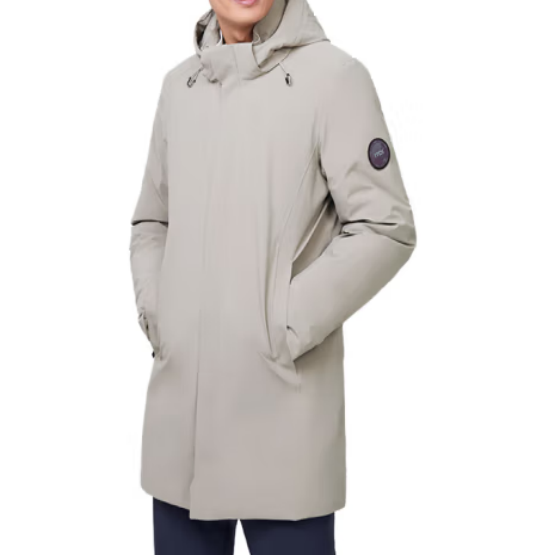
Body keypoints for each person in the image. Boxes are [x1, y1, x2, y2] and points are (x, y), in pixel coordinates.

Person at [129, 0, 416, 552]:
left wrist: (284, 323)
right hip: (179, 429)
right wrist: (164, 318)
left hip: (283, 424)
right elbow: (151, 221)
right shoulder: (179, 89)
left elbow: (386, 225)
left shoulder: (334, 79)